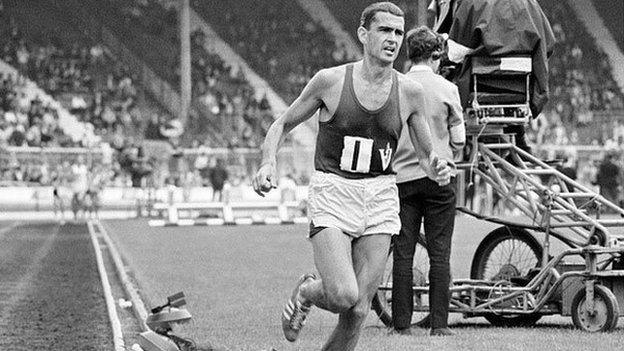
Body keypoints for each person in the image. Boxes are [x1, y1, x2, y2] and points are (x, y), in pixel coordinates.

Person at [252, 3, 451, 350]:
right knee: (343, 294)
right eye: (384, 30)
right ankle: (307, 291)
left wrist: (437, 166)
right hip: (334, 189)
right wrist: (267, 163)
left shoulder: (410, 92)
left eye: (398, 32)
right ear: (363, 34)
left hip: (380, 195)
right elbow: (282, 123)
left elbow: (425, 153)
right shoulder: (330, 81)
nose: (392, 39)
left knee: (358, 312)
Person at [391, 26, 466, 337]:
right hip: (439, 178)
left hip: (402, 179)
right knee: (439, 253)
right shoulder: (447, 89)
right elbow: (459, 141)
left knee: (403, 253)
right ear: (436, 56)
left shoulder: (395, 86)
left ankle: (402, 325)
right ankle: (439, 324)